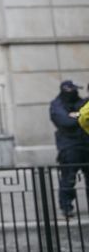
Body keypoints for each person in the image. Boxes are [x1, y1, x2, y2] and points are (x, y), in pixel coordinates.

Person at [49, 80, 89, 217]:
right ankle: (66, 207)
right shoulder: (57, 105)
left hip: (86, 144)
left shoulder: (82, 103)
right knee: (69, 179)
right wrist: (81, 116)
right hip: (69, 147)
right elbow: (66, 122)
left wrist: (77, 115)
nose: (74, 93)